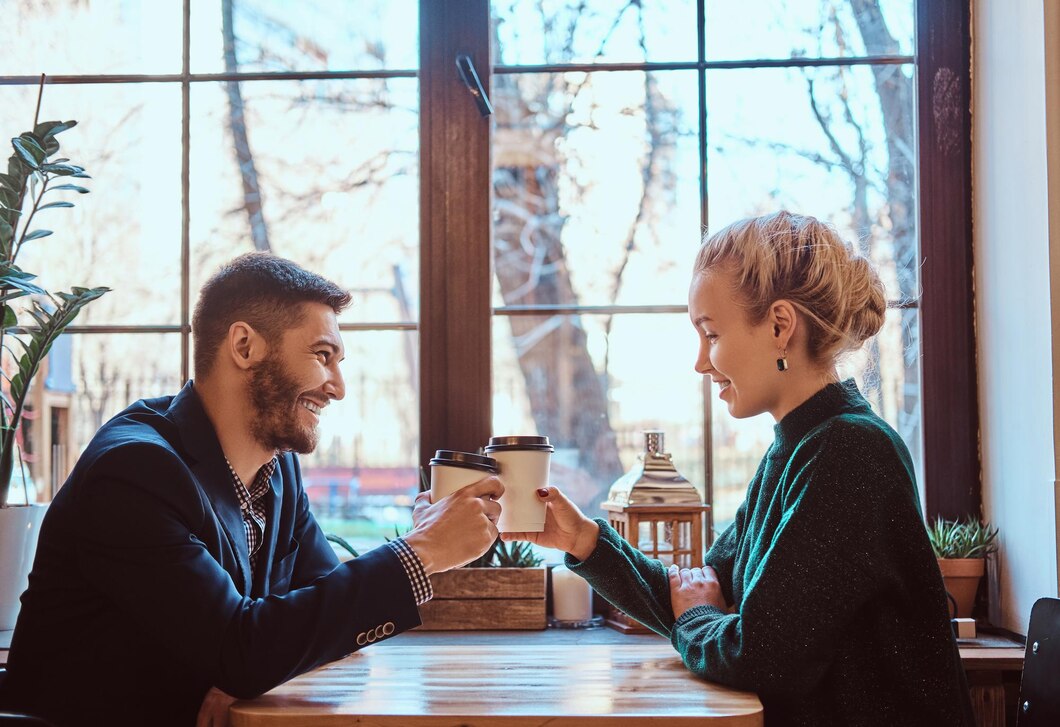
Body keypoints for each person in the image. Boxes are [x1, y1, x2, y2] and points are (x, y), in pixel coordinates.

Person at [504, 211, 975, 726]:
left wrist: (702, 617)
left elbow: (760, 657)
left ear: (779, 326)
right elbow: (699, 594)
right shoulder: (798, 448)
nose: (701, 362)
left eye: (710, 334)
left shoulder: (850, 452)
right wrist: (586, 543)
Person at [0, 253, 503, 727]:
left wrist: (250, 669)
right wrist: (423, 551)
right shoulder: (134, 471)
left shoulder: (276, 468)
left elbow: (313, 616)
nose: (337, 386)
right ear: (245, 347)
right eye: (322, 355)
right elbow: (246, 648)